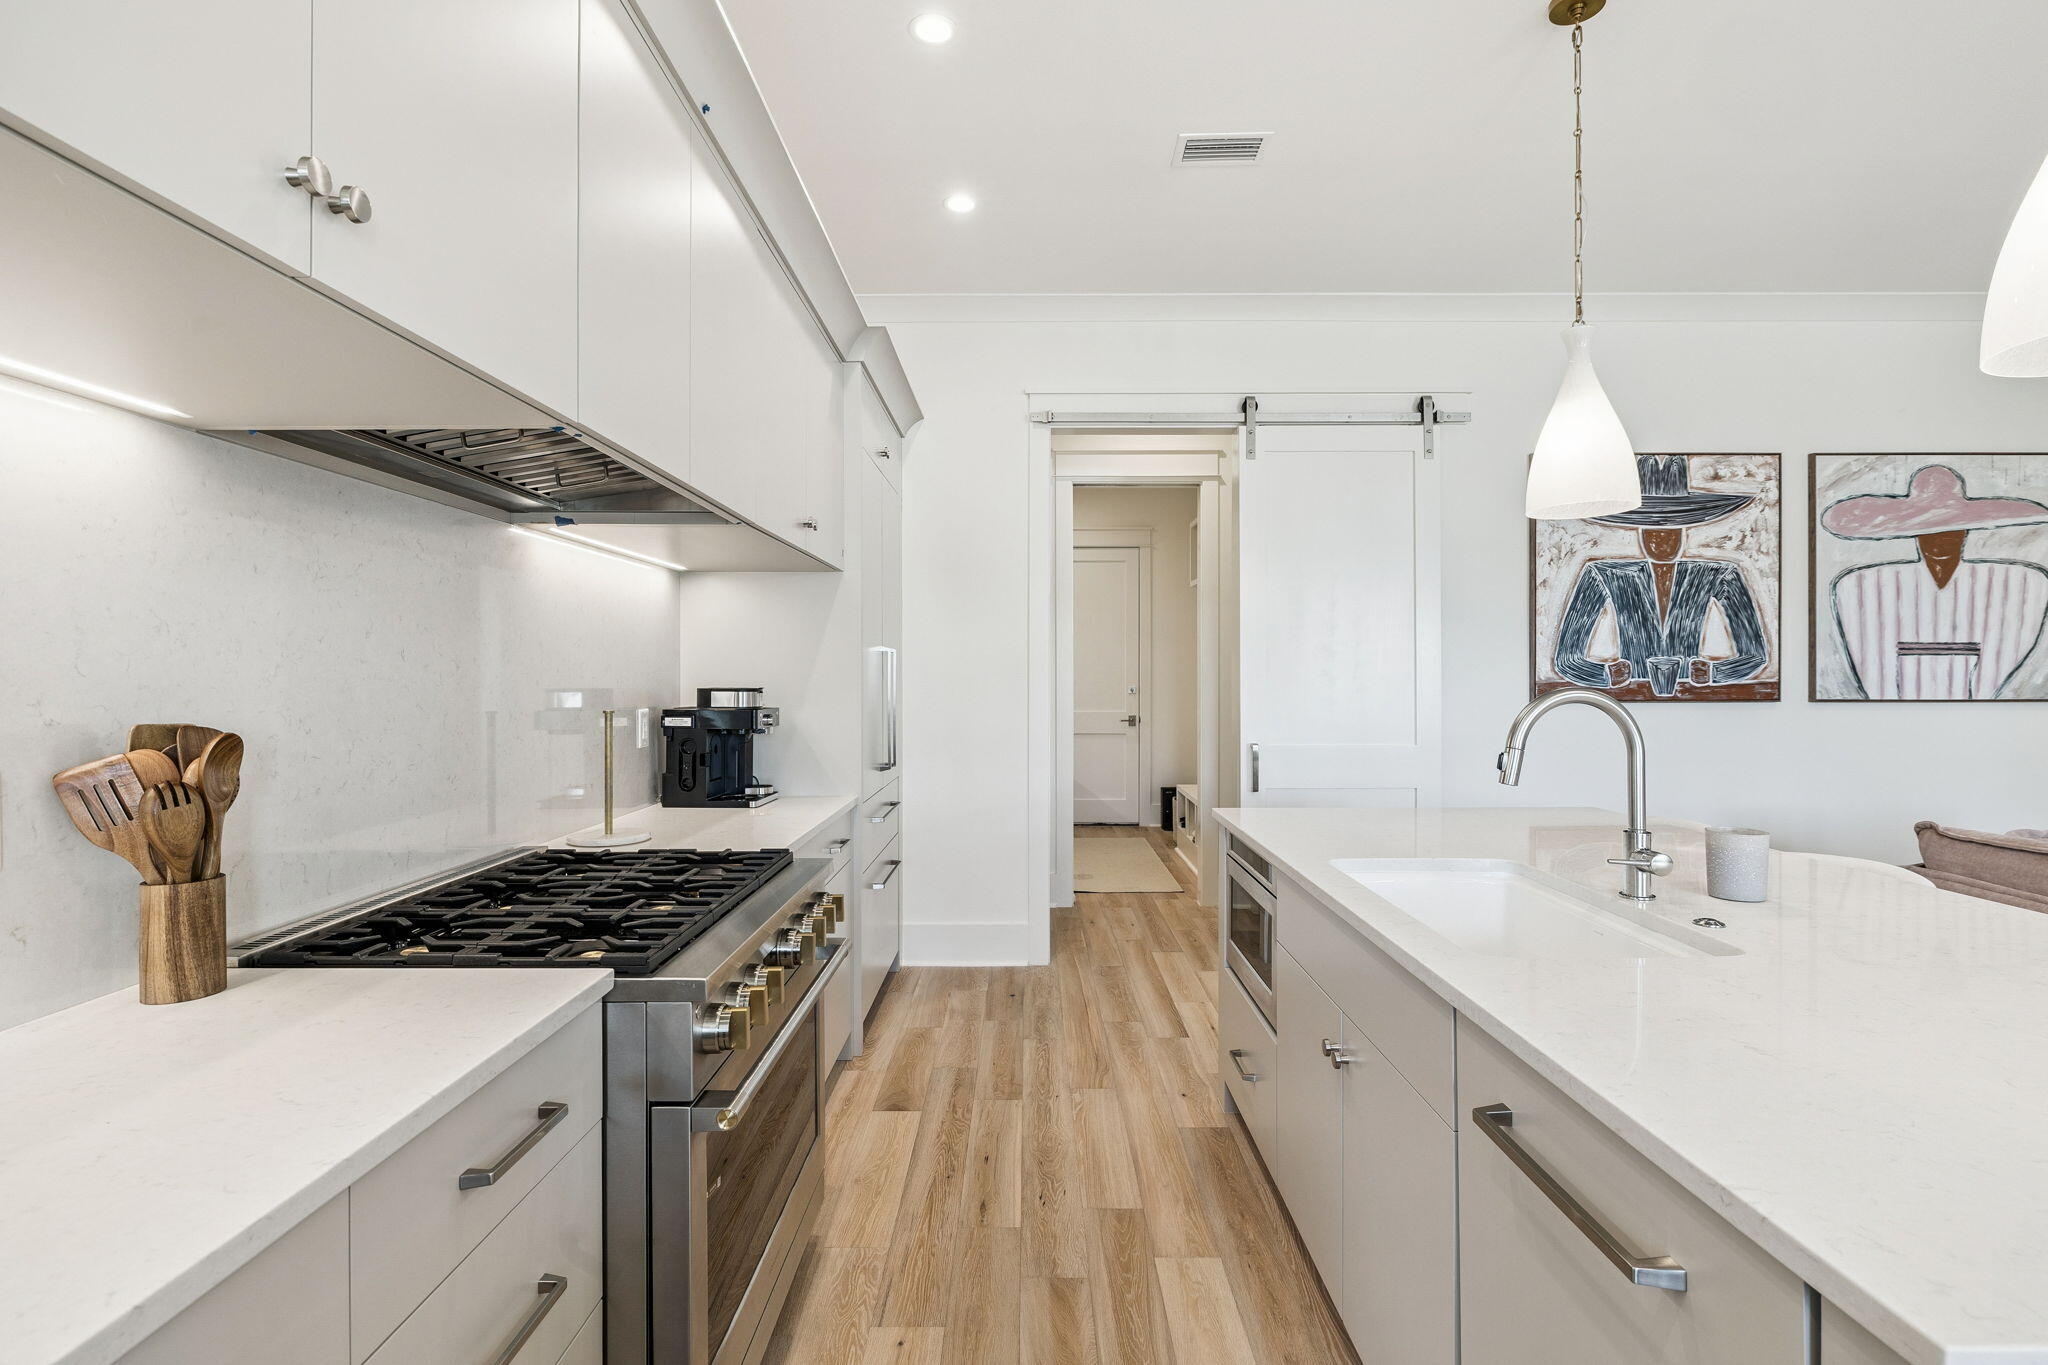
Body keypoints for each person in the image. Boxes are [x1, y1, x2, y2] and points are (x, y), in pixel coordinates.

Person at [1821, 463, 2048, 700]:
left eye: (1951, 531)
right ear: (1915, 534)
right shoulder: (1859, 585)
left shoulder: (2024, 582)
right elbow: (1871, 660)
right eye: (1930, 532)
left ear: (1966, 532)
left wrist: (1981, 696)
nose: (1941, 541)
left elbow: (2005, 652)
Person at [1552, 454, 1770, 697]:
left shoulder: (1719, 574)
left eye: (1671, 528)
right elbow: (1566, 659)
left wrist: (1716, 672)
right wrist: (1605, 674)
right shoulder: (1606, 574)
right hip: (1632, 694)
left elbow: (1755, 655)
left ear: (1685, 530)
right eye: (1652, 529)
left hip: (1694, 697)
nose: (1661, 540)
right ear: (1640, 531)